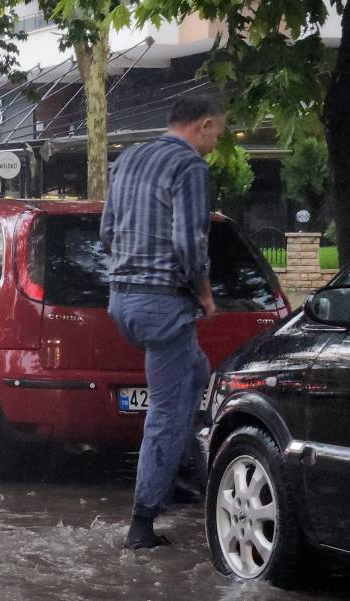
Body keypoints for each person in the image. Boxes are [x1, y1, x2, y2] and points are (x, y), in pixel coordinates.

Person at [100, 95, 226, 549]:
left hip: (122, 300)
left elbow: (107, 232)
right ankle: (143, 522)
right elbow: (190, 242)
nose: (216, 142)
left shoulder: (129, 158)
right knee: (166, 412)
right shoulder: (190, 167)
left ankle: (175, 467)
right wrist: (207, 296)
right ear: (204, 125)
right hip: (164, 307)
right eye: (217, 133)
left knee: (197, 371)